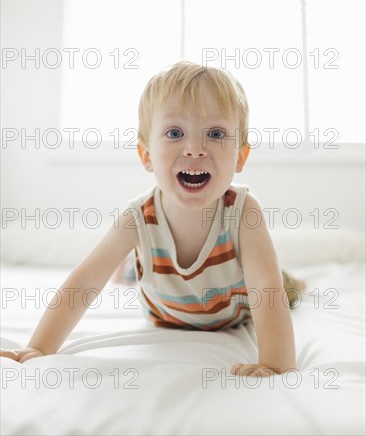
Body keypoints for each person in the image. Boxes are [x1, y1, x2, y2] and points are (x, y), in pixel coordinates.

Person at [0, 61, 305, 377]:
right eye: (175, 133)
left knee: (283, 284)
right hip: (165, 306)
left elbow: (266, 290)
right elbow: (83, 283)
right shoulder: (137, 217)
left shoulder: (243, 211)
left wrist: (274, 364)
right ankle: (130, 267)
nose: (195, 149)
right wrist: (39, 347)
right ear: (146, 156)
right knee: (134, 264)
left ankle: (297, 280)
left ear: (240, 157)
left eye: (215, 133)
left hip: (232, 307)